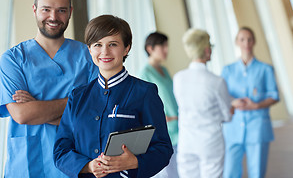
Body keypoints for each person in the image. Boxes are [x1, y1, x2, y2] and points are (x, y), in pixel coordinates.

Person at [53, 15, 173, 178]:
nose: (105, 52)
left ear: (126, 48)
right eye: (97, 45)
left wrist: (135, 162)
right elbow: (61, 151)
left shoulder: (144, 92)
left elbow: (163, 148)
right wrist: (88, 166)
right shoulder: (77, 96)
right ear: (89, 49)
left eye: (113, 44)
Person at [0, 0, 97, 178]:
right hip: (27, 164)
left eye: (61, 10)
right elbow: (22, 115)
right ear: (35, 10)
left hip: (75, 161)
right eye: (46, 9)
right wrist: (76, 102)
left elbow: (95, 114)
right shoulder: (13, 59)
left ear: (70, 12)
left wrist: (37, 107)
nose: (53, 17)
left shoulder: (88, 56)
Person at [173, 28, 239, 178]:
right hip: (210, 143)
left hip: (186, 142)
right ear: (207, 50)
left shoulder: (178, 78)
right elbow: (226, 115)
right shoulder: (217, 81)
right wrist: (232, 108)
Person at [221, 27, 279, 178]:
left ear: (254, 42)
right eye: (242, 39)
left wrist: (257, 105)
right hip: (233, 128)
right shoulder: (228, 70)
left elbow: (274, 95)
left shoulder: (265, 69)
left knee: (257, 173)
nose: (246, 43)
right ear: (237, 42)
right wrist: (233, 102)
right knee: (230, 173)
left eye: (249, 39)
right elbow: (222, 96)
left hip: (257, 128)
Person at [138, 32, 179, 178]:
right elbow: (143, 106)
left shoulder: (165, 70)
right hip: (165, 131)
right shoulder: (145, 73)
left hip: (178, 128)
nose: (166, 50)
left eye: (167, 46)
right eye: (162, 46)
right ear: (150, 49)